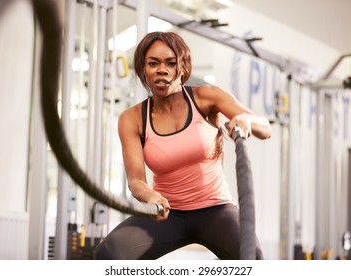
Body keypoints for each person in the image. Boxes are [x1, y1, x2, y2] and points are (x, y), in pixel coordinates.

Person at [94, 31, 271, 260]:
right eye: (153, 63)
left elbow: (265, 128)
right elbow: (136, 180)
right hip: (167, 213)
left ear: (183, 67)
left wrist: (248, 120)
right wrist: (151, 197)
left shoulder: (207, 97)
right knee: (108, 254)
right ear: (143, 70)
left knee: (252, 258)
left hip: (215, 209)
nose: (162, 69)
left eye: (170, 62)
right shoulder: (132, 118)